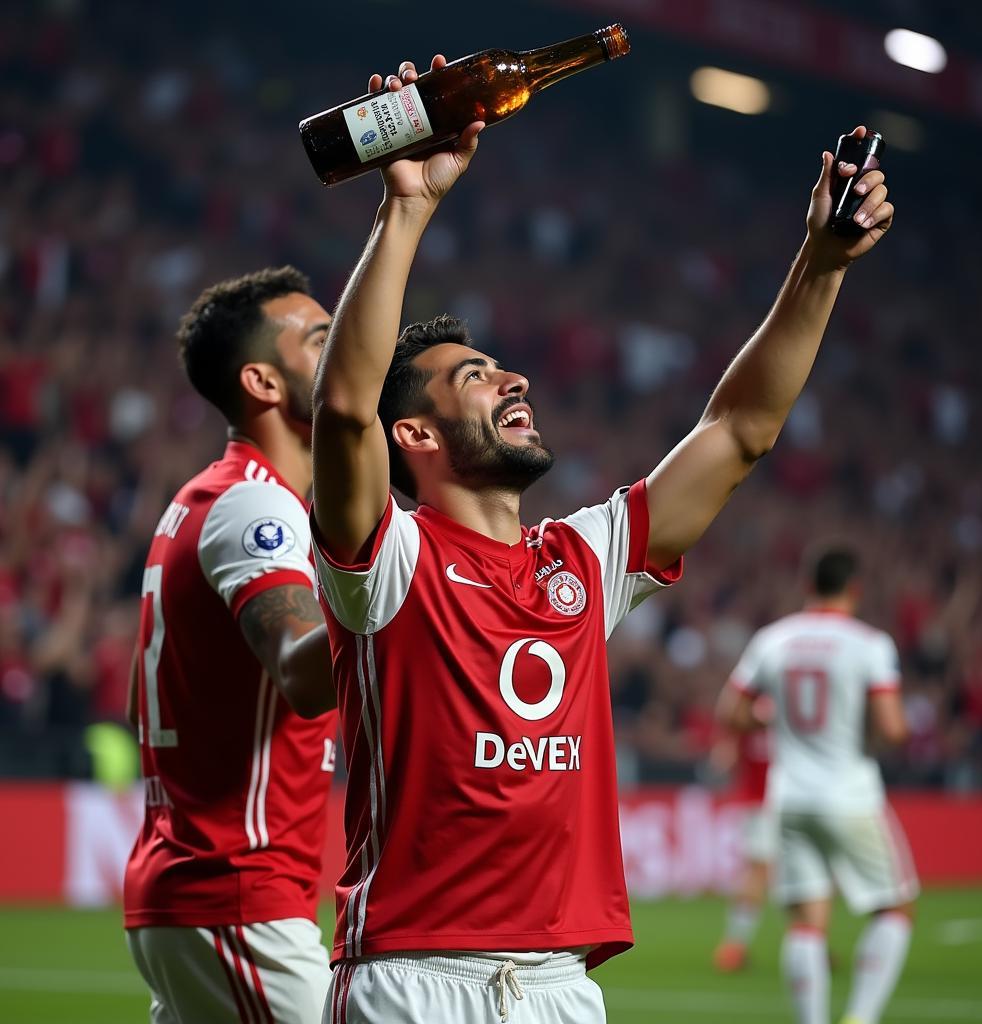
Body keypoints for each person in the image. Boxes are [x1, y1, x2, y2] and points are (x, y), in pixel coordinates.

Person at [309, 52, 895, 1024]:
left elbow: (737, 432)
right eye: (474, 378)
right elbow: (342, 410)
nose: (513, 382)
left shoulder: (584, 557)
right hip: (415, 978)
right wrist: (404, 205)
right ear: (412, 435)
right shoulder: (386, 561)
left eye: (503, 368)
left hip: (560, 985)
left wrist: (819, 266)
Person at [123, 267, 339, 1023]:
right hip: (233, 894)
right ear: (264, 382)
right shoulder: (254, 506)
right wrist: (410, 612)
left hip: (198, 892)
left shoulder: (204, 501)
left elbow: (139, 700)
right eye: (319, 338)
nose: (345, 346)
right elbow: (303, 673)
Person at [722, 547, 918, 1024]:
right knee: (895, 909)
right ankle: (861, 1016)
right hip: (850, 794)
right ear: (855, 589)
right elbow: (892, 728)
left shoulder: (774, 639)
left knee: (806, 923)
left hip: (789, 798)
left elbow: (731, 713)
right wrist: (874, 733)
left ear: (808, 586)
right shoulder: (869, 644)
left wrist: (776, 724)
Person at [710, 714, 776, 972]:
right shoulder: (787, 714)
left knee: (762, 872)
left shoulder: (748, 716)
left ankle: (813, 945)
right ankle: (733, 946)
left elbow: (721, 761)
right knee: (762, 872)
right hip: (776, 804)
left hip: (757, 804)